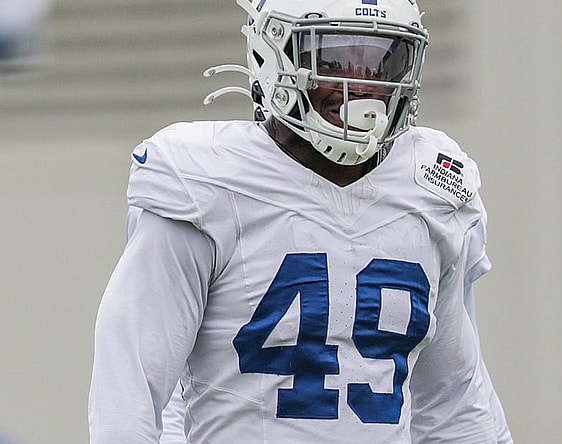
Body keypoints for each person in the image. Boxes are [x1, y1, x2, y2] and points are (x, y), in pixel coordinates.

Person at [88, 0, 512, 442]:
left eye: (382, 61)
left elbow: (455, 402)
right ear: (273, 54)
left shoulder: (430, 188)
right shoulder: (206, 181)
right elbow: (131, 384)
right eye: (336, 58)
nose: (361, 83)